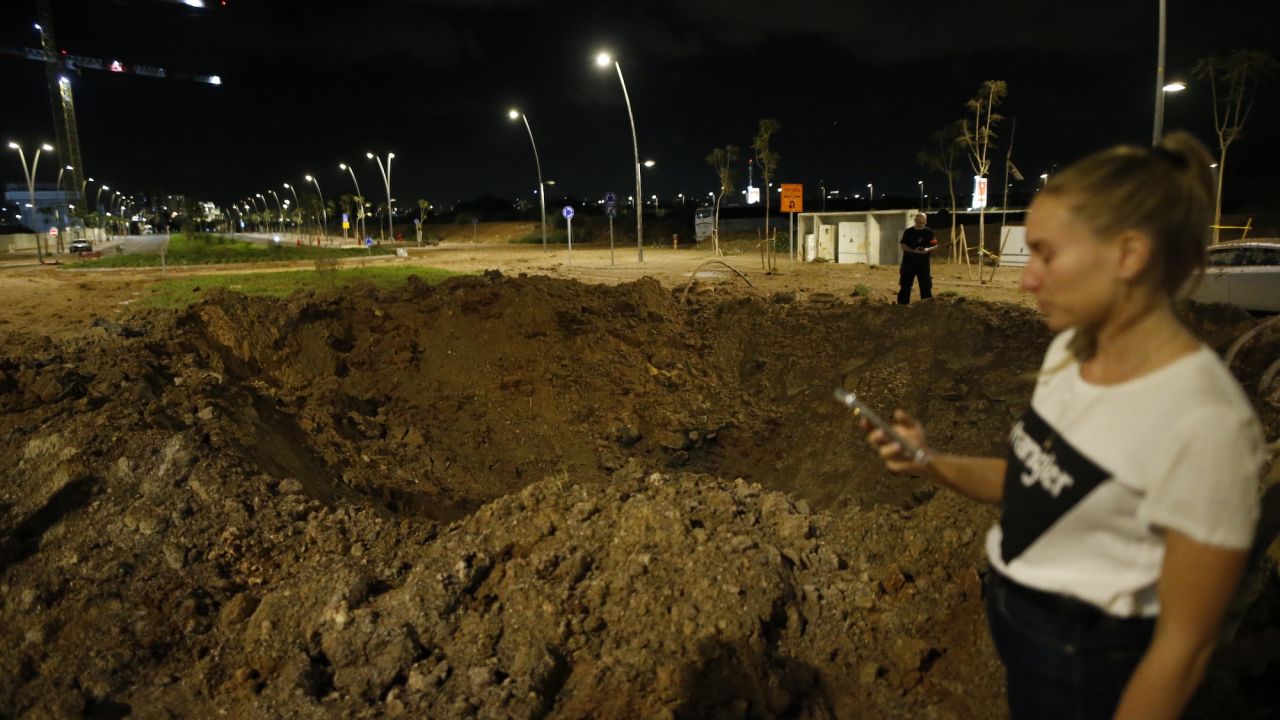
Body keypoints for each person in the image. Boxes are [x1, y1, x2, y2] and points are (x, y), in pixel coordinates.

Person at [862, 131, 1266, 719]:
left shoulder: (1205, 425)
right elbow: (1036, 485)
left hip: (1088, 661)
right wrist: (930, 462)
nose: (1027, 279)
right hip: (1020, 623)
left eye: (1047, 254)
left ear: (1128, 254)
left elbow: (1184, 651)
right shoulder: (1069, 352)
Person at [898, 212, 937, 304]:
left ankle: (926, 305)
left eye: (923, 222)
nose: (921, 224)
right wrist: (913, 251)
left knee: (925, 284)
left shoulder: (929, 232)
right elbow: (903, 245)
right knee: (905, 284)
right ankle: (902, 306)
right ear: (915, 221)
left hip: (923, 263)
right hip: (909, 262)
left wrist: (928, 249)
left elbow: (935, 245)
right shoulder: (908, 232)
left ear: (926, 222)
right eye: (919, 222)